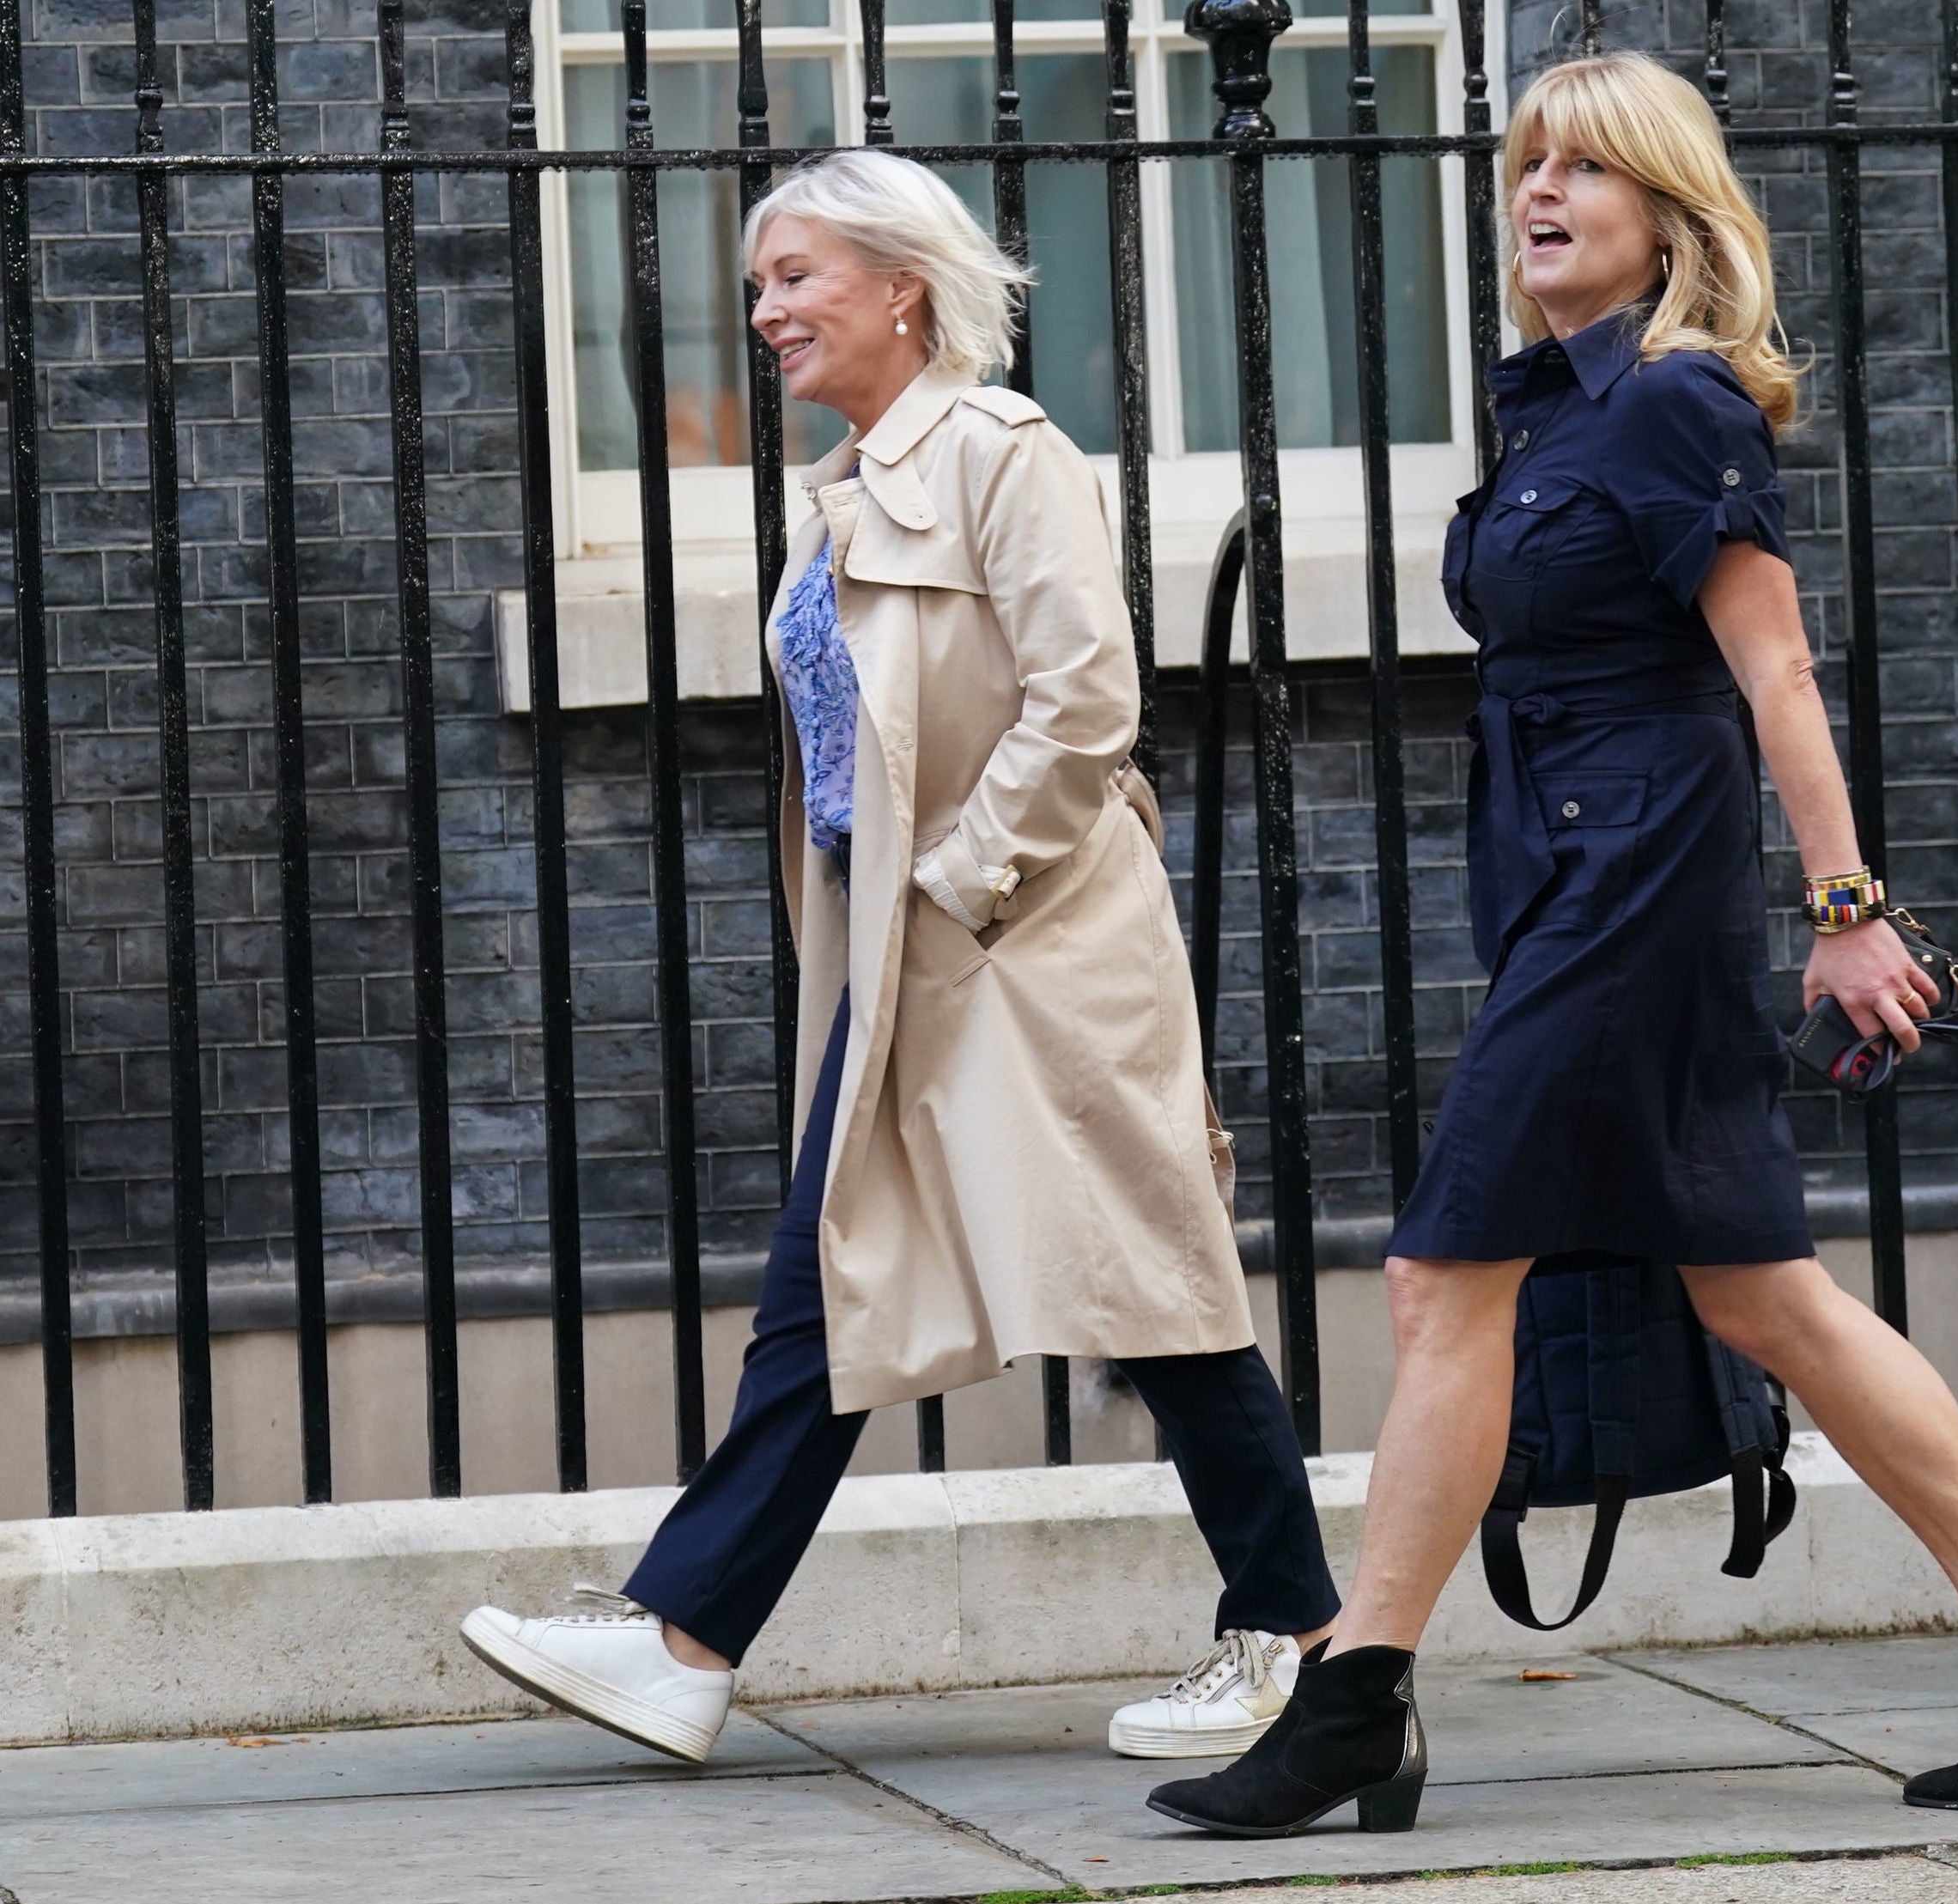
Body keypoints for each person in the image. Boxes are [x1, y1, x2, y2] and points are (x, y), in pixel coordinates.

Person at [1145, 52, 1958, 1840]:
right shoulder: (1555, 413)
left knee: (1446, 1273)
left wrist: (1849, 913)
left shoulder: (1681, 407)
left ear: (1665, 216)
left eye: (1586, 171)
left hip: (1635, 889)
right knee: (1760, 1288)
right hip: (1569, 880)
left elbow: (1771, 667)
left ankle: (1356, 1692)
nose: (1541, 192)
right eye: (1529, 163)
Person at [459, 149, 1339, 1765]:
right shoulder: (852, 487)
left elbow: (1087, 703)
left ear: (902, 287)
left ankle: (1299, 1637)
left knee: (1150, 1288)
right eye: (759, 285)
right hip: (914, 948)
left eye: (796, 276)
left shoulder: (1004, 455)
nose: (766, 310)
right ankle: (685, 1641)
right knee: (826, 1279)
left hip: (1030, 945)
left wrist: (954, 883)